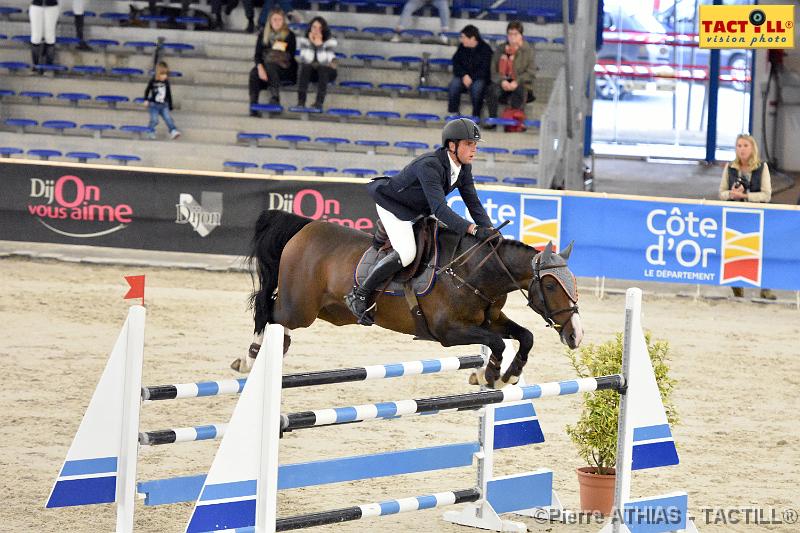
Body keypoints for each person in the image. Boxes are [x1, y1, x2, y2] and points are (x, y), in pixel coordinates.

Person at [345, 118, 497, 325]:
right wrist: (472, 229)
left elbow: (473, 202)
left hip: (418, 208)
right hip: (393, 205)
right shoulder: (430, 165)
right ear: (452, 145)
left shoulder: (463, 168)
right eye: (469, 144)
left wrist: (490, 229)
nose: (474, 149)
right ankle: (360, 295)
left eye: (475, 144)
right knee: (407, 253)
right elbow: (440, 209)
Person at [718, 134, 775, 300]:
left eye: (745, 146)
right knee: (735, 250)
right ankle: (737, 288)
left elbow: (767, 194)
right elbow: (721, 193)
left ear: (752, 148)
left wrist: (746, 196)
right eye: (739, 146)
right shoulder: (729, 168)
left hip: (759, 215)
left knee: (762, 252)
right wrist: (732, 194)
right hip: (736, 216)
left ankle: (765, 289)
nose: (742, 149)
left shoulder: (762, 167)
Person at [249, 8, 297, 116]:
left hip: (285, 69)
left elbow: (290, 55)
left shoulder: (290, 36)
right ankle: (253, 105)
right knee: (254, 73)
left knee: (270, 65)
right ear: (270, 20)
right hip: (267, 68)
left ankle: (275, 97)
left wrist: (270, 55)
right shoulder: (263, 35)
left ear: (283, 21)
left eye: (280, 19)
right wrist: (260, 68)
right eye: (274, 19)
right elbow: (257, 55)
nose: (277, 22)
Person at [486, 20, 536, 123]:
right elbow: (493, 70)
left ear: (521, 35)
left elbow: (531, 72)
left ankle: (515, 121)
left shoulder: (528, 51)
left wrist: (516, 81)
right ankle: (493, 119)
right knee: (491, 90)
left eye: (515, 34)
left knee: (519, 91)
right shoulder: (500, 49)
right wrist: (502, 81)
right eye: (510, 34)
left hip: (520, 83)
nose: (512, 37)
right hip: (503, 82)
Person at [448, 25, 493, 119]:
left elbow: (485, 69)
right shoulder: (462, 47)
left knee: (478, 87)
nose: (461, 40)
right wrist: (464, 75)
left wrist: (472, 78)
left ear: (472, 38)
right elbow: (456, 62)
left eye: (463, 37)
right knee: (454, 84)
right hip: (463, 77)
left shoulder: (486, 49)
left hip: (479, 78)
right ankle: (453, 112)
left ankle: (476, 115)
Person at [296, 16, 337, 110]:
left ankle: (319, 102)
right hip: (311, 72)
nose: (316, 30)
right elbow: (306, 60)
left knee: (323, 67)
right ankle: (301, 102)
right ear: (310, 28)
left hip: (328, 72)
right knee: (306, 66)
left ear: (324, 30)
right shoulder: (304, 41)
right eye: (314, 27)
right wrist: (311, 43)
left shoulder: (331, 42)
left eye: (320, 28)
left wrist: (320, 46)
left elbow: (325, 62)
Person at [144, 61, 181, 140]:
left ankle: (173, 130)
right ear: (158, 73)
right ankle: (150, 131)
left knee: (168, 118)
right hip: (154, 105)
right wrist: (146, 99)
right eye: (163, 74)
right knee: (154, 120)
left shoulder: (166, 82)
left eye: (166, 74)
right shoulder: (153, 81)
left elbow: (168, 94)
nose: (165, 76)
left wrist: (170, 105)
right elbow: (147, 90)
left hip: (164, 105)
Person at [29, 0, 59, 68]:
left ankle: (49, 66)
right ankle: (35, 65)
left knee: (50, 37)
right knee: (36, 37)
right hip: (36, 6)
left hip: (52, 6)